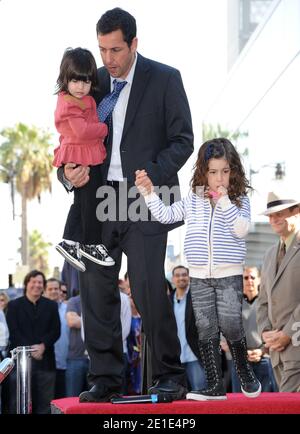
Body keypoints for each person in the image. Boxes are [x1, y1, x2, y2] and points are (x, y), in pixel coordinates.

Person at [57, 7, 193, 402]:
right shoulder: (90, 82)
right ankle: (105, 379)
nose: (108, 60)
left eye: (115, 50)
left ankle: (170, 375)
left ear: (134, 43)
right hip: (100, 199)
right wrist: (68, 173)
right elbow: (66, 140)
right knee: (96, 289)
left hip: (147, 197)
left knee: (149, 287)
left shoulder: (166, 79)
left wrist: (151, 173)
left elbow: (182, 139)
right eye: (102, 50)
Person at [136, 137, 261, 400]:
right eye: (213, 172)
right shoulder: (194, 200)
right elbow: (167, 215)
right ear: (203, 172)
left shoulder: (240, 200)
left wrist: (224, 201)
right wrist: (148, 193)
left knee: (231, 325)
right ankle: (214, 386)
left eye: (225, 172)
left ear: (233, 171)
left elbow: (241, 230)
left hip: (228, 274)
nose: (219, 179)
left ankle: (245, 371)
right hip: (200, 274)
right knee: (205, 328)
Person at [53, 47, 114, 272]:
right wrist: (102, 129)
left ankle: (71, 241)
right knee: (89, 202)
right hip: (79, 155)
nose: (81, 87)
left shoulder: (85, 98)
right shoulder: (68, 103)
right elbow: (80, 131)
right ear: (65, 79)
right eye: (76, 81)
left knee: (84, 202)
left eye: (86, 82)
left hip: (88, 154)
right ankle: (90, 243)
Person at [257, 190, 300, 392]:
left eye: (279, 213)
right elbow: (263, 300)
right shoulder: (269, 254)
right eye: (270, 215)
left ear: (297, 212)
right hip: (276, 352)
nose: (274, 219)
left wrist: (288, 333)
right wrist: (266, 333)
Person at [6, 270, 60, 413]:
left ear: (43, 286)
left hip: (46, 362)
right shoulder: (13, 306)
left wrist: (42, 346)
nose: (36, 285)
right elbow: (14, 333)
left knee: (45, 405)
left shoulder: (51, 306)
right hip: (21, 365)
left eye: (40, 282)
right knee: (17, 404)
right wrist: (31, 350)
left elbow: (56, 331)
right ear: (26, 284)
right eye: (33, 282)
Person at [230, 266, 277, 392]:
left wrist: (262, 351)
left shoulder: (268, 303)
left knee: (265, 403)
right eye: (245, 277)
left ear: (259, 280)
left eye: (252, 277)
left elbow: (275, 331)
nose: (249, 280)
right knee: (239, 404)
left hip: (263, 359)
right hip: (240, 362)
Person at [170, 266, 206, 391]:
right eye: (178, 275)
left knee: (199, 392)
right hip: (176, 357)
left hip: (194, 354)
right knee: (179, 396)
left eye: (184, 275)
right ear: (173, 279)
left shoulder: (197, 298)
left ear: (189, 277)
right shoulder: (168, 300)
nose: (181, 278)